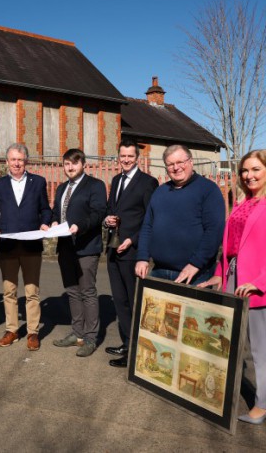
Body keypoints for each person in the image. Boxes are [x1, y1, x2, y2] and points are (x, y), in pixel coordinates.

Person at [198, 149, 266, 425]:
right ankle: (221, 392)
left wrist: (260, 282)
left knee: (260, 347)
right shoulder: (244, 202)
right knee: (228, 341)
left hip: (258, 285)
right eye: (244, 170)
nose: (249, 175)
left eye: (255, 169)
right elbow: (230, 246)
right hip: (233, 279)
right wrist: (220, 273)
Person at [0, 143, 52, 351]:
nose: (16, 163)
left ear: (26, 161)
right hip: (7, 245)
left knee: (32, 291)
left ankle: (33, 332)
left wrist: (45, 222)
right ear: (7, 162)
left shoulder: (38, 182)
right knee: (9, 291)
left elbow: (45, 208)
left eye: (20, 159)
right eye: (13, 159)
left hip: (31, 245)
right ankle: (12, 330)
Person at [135, 145, 225, 285]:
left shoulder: (208, 190)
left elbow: (214, 231)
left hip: (195, 273)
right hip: (159, 271)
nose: (176, 168)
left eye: (180, 162)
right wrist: (142, 257)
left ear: (191, 161)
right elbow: (147, 226)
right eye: (170, 164)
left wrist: (196, 263)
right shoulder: (160, 192)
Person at [104, 140, 158, 368]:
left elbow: (151, 219)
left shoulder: (148, 183)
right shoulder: (116, 180)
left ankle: (136, 352)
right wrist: (107, 219)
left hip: (133, 251)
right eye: (122, 156)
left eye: (130, 156)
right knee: (120, 302)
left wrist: (132, 240)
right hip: (113, 250)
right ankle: (127, 343)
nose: (125, 160)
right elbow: (110, 209)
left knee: (134, 303)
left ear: (137, 158)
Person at [50, 149, 106, 357]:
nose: (70, 167)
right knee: (72, 291)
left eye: (74, 163)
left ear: (83, 164)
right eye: (66, 164)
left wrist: (79, 226)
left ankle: (90, 338)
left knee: (87, 292)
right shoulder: (62, 188)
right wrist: (53, 221)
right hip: (65, 247)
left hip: (86, 247)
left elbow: (98, 212)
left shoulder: (95, 185)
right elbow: (57, 212)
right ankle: (78, 333)